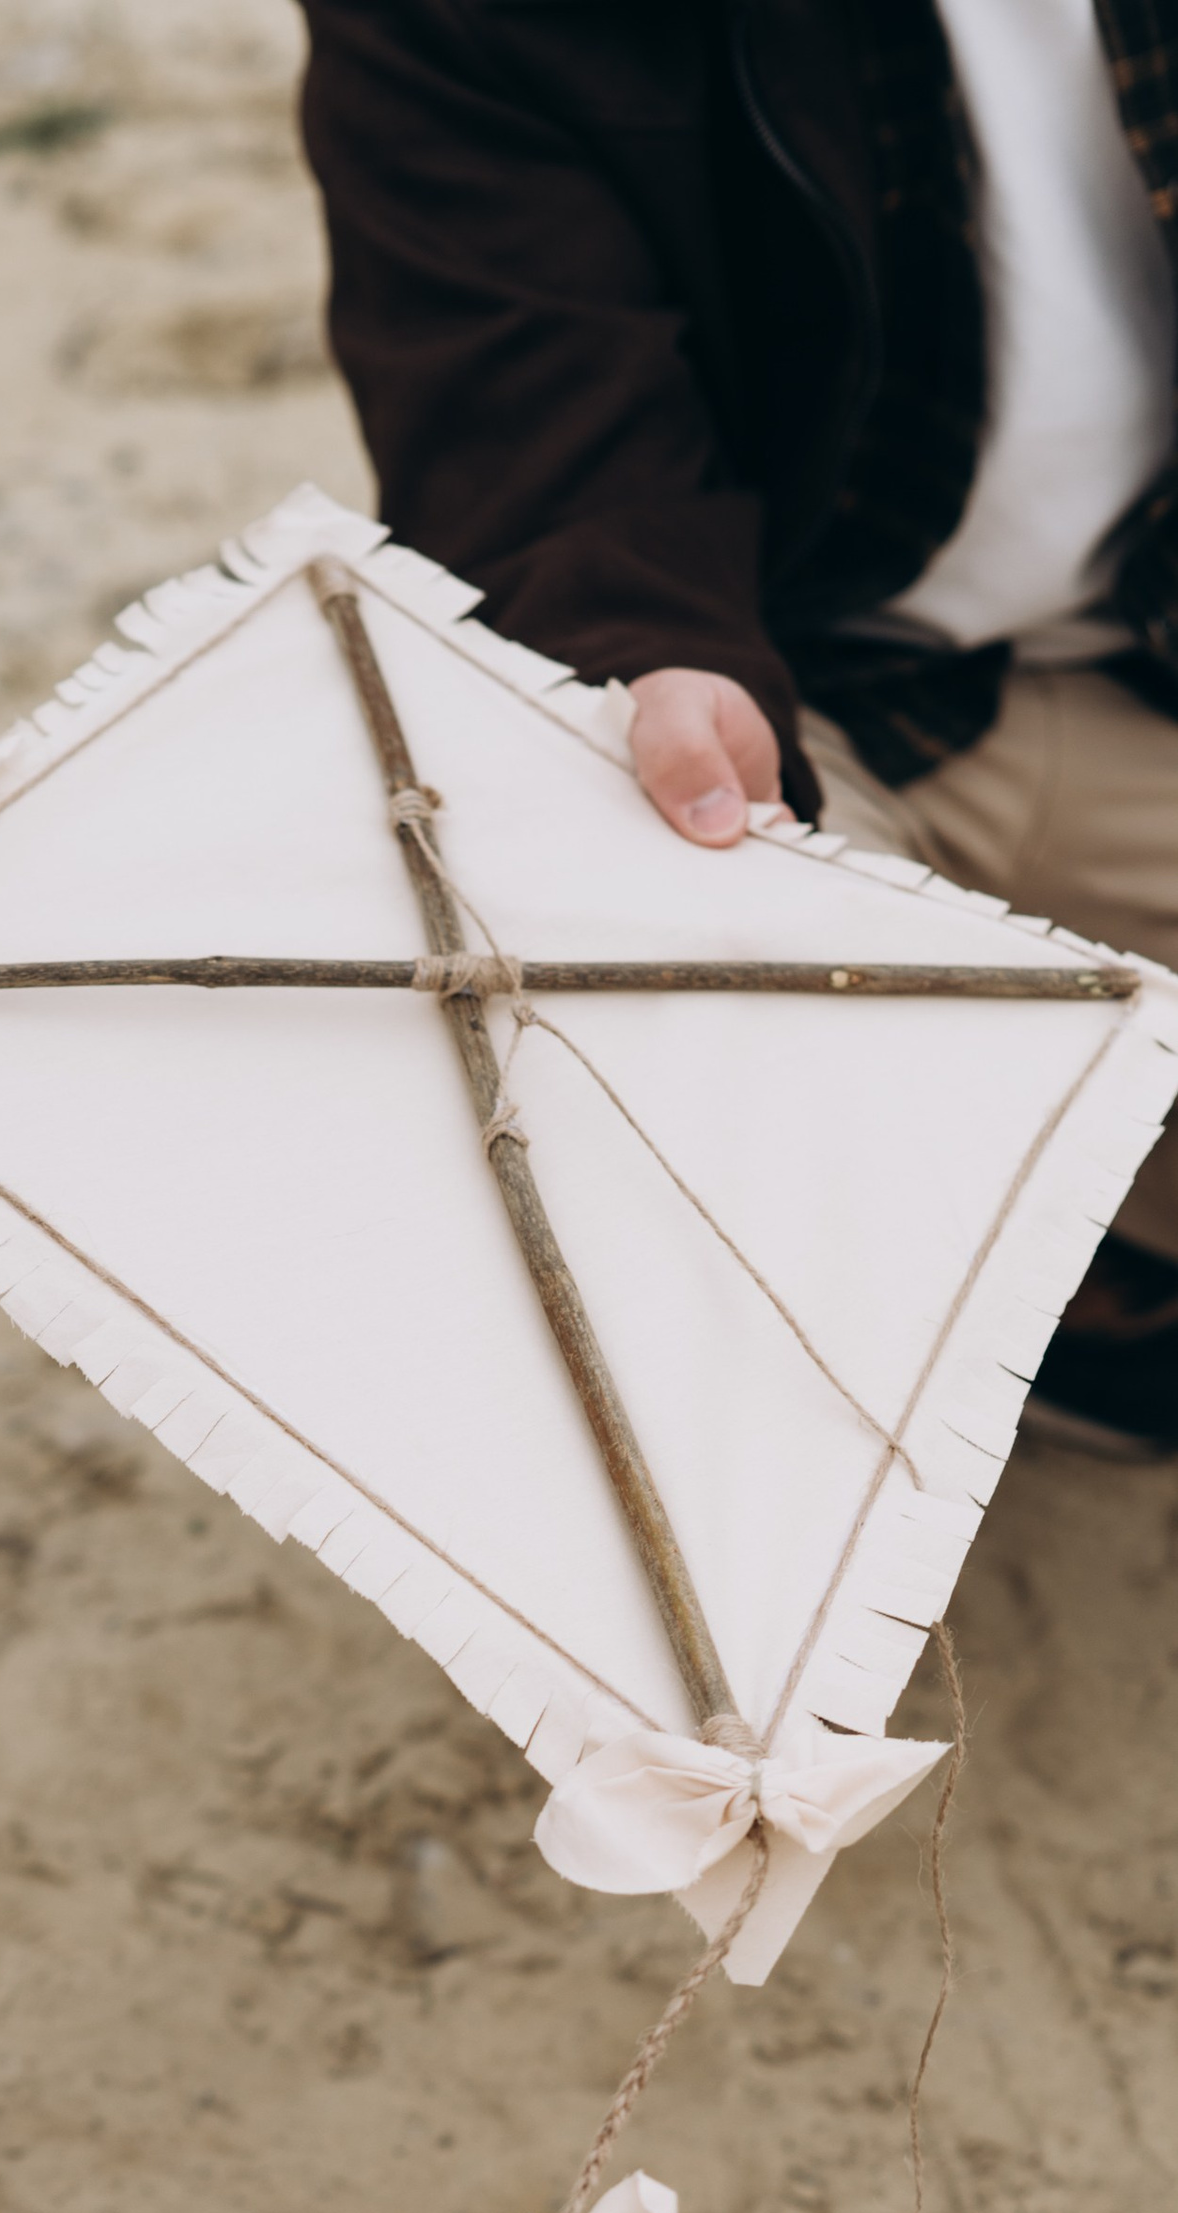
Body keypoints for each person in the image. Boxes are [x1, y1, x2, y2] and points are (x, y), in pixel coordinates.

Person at [296, 0, 1178, 1454]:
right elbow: (534, 452)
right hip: (783, 698)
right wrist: (638, 658)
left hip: (1145, 660)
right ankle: (941, 1282)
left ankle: (1068, 1273)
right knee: (643, 1149)